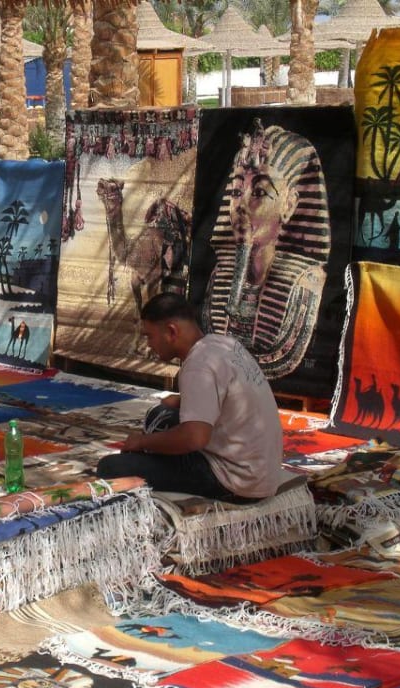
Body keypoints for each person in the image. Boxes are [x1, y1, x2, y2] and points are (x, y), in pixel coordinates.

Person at [97, 292, 284, 502]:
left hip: (235, 482)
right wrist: (180, 401)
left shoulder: (199, 365)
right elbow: (225, 396)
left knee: (111, 467)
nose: (149, 345)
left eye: (149, 336)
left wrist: (142, 442)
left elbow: (194, 438)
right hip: (262, 473)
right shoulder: (223, 344)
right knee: (161, 415)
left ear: (171, 331)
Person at [203, 117, 330, 379]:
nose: (241, 206)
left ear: (289, 205)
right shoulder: (219, 276)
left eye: (259, 192)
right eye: (236, 193)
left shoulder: (306, 286)